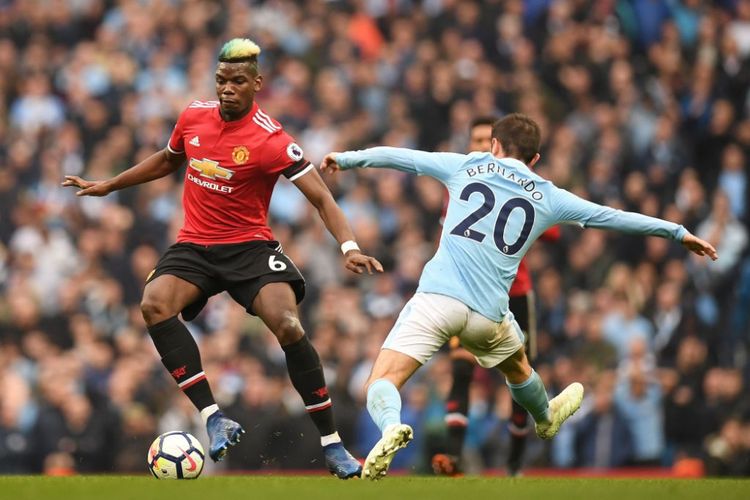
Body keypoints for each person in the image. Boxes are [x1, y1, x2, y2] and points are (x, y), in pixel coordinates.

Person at [319, 113, 718, 480]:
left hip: (438, 300)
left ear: (493, 145)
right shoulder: (548, 195)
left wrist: (348, 158)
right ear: (536, 157)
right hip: (490, 315)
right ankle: (544, 417)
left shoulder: (467, 164)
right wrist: (678, 232)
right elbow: (612, 217)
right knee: (518, 368)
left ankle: (391, 427)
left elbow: (403, 157)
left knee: (383, 379)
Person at [62, 38, 382, 479]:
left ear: (256, 84)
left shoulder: (272, 140)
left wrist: (349, 247)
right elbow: (168, 159)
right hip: (195, 245)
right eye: (220, 80)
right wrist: (110, 184)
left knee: (288, 325)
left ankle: (332, 445)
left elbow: (322, 199)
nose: (226, 88)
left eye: (236, 81)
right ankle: (213, 417)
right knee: (153, 304)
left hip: (250, 248)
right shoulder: (193, 115)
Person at [432, 117, 560, 477]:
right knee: (460, 365)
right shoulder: (460, 181)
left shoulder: (525, 187)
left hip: (515, 294)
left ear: (498, 145)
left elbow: (551, 232)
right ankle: (453, 458)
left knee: (519, 378)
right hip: (466, 291)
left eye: (486, 140)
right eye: (474, 139)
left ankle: (515, 464)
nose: (480, 146)